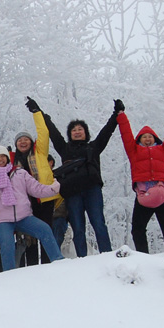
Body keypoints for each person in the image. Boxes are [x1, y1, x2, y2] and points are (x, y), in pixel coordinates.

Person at [43, 100, 119, 257]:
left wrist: (116, 114)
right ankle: (82, 259)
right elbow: (53, 134)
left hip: (92, 190)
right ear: (70, 134)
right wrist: (43, 117)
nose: (77, 132)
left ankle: (107, 255)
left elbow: (106, 132)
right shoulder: (65, 149)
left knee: (98, 223)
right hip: (72, 193)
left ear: (86, 132)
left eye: (80, 129)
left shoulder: (93, 147)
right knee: (78, 226)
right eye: (73, 130)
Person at [117, 100, 164, 259]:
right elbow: (126, 134)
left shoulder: (163, 149)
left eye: (150, 136)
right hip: (143, 195)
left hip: (162, 194)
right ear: (139, 140)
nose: (147, 139)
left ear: (155, 138)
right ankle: (144, 258)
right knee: (137, 229)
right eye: (144, 137)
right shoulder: (133, 151)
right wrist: (121, 114)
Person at [15, 97, 58, 265]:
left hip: (44, 198)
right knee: (30, 235)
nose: (23, 142)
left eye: (25, 139)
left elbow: (44, 132)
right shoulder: (14, 162)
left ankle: (48, 263)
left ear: (31, 142)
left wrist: (36, 113)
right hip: (26, 201)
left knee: (46, 230)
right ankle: (32, 266)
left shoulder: (40, 152)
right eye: (19, 140)